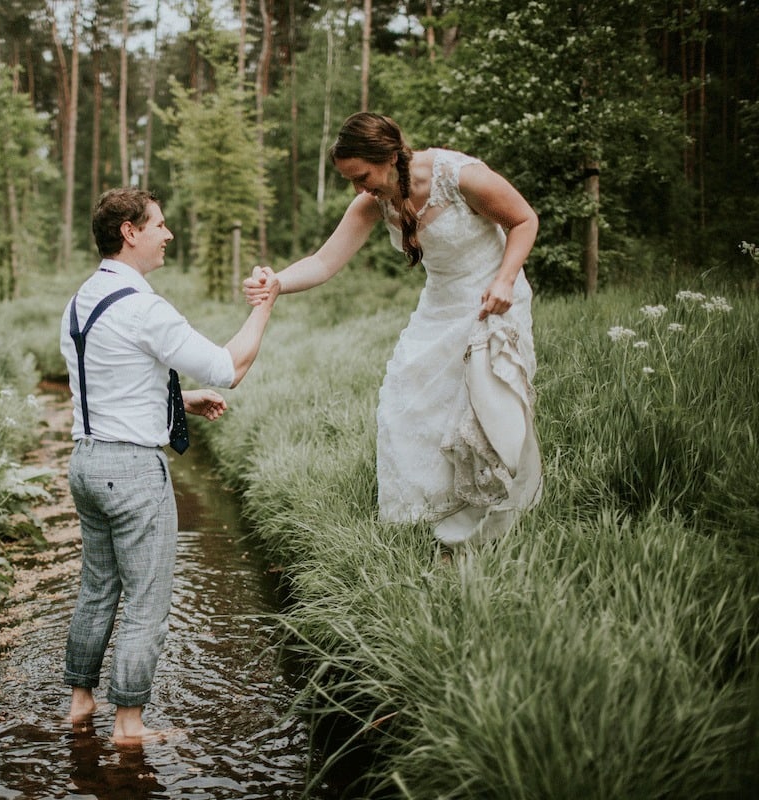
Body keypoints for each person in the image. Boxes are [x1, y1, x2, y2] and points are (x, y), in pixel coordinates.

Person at [245, 112, 542, 553]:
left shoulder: (459, 176)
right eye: (350, 180)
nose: (359, 189)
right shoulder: (373, 201)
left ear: (387, 156)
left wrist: (504, 279)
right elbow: (325, 262)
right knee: (407, 410)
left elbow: (524, 220)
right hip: (440, 307)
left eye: (362, 176)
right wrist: (277, 283)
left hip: (493, 297)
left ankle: (499, 528)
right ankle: (438, 526)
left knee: (486, 410)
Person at [60, 188, 280, 743]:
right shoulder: (144, 306)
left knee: (97, 590)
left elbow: (107, 384)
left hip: (86, 464)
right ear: (130, 232)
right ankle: (129, 725)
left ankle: (80, 703)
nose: (168, 233)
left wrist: (181, 401)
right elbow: (229, 367)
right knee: (147, 603)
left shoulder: (81, 299)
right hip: (134, 470)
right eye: (159, 224)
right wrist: (265, 306)